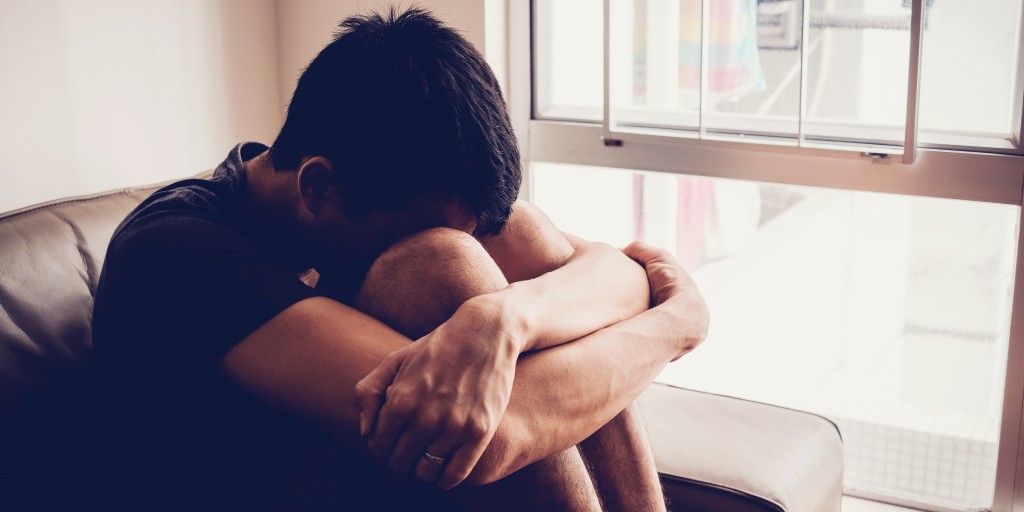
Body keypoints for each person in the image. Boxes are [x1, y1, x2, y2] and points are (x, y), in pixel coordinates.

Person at [89, 7, 709, 511]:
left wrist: (507, 318)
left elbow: (616, 275)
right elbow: (489, 437)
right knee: (440, 264)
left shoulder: (351, 182)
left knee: (518, 237)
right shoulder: (173, 254)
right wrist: (676, 326)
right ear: (317, 187)